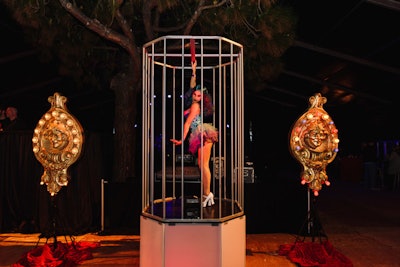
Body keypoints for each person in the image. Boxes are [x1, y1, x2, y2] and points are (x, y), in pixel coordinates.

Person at [170, 60, 218, 207]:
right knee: (201, 164)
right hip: (200, 133)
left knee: (204, 165)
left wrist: (181, 139)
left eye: (198, 95)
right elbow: (192, 85)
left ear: (202, 98)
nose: (196, 96)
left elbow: (187, 123)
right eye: (195, 94)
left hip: (202, 134)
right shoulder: (194, 103)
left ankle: (208, 193)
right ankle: (206, 194)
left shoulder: (196, 106)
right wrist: (194, 70)